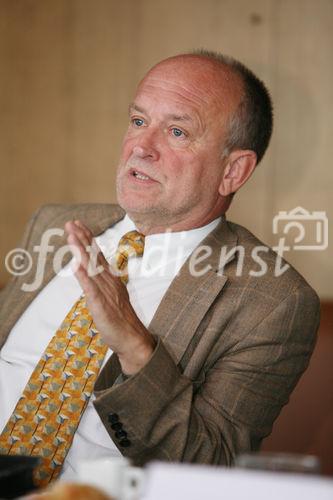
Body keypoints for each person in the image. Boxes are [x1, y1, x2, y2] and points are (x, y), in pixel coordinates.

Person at [0, 50, 320, 480]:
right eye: (137, 121)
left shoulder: (272, 301)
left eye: (176, 131)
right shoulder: (55, 225)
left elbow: (212, 468)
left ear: (233, 171)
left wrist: (134, 346)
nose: (141, 147)